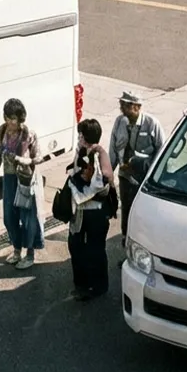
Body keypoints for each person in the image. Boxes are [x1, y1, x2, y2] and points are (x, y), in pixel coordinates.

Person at [0, 98, 45, 270]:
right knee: (9, 217)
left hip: (25, 180)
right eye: (9, 118)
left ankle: (30, 254)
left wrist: (22, 160)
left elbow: (39, 158)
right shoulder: (3, 132)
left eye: (14, 118)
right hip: (9, 179)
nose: (11, 122)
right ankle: (16, 249)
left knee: (27, 218)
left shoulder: (28, 134)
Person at [109, 91, 165, 244]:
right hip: (125, 176)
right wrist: (109, 174)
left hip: (143, 177)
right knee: (126, 209)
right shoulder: (119, 122)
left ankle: (144, 242)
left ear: (137, 107)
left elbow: (162, 153)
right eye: (121, 104)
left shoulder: (152, 123)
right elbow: (113, 149)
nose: (121, 107)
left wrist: (149, 171)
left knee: (143, 211)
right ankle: (126, 239)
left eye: (125, 105)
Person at [68, 118, 114, 301]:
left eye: (80, 135)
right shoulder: (81, 152)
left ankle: (97, 287)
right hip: (80, 211)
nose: (78, 138)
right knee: (76, 245)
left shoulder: (99, 154)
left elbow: (105, 179)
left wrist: (84, 185)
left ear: (86, 138)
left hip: (96, 212)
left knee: (95, 249)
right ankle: (82, 284)